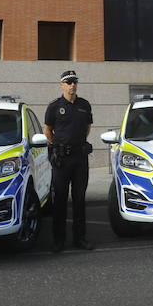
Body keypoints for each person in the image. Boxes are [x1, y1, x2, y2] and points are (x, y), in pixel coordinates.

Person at [44, 69, 94, 252]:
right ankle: (58, 240)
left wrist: (77, 142)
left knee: (79, 199)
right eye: (68, 82)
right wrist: (57, 146)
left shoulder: (84, 105)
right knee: (60, 199)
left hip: (80, 158)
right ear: (62, 85)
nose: (72, 85)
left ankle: (80, 238)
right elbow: (48, 130)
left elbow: (87, 127)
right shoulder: (54, 106)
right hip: (62, 160)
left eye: (74, 82)